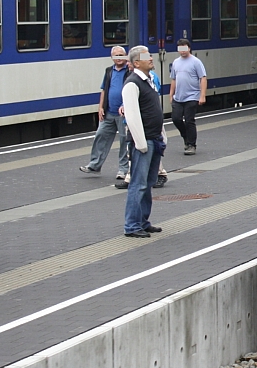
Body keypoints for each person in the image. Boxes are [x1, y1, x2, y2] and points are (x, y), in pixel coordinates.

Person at [121, 46, 166, 238]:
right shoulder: (132, 84)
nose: (151, 59)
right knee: (138, 184)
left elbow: (154, 110)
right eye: (145, 57)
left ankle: (143, 221)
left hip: (154, 138)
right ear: (136, 63)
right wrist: (140, 143)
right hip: (144, 141)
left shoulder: (149, 82)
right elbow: (132, 116)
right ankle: (132, 225)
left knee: (148, 183)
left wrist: (162, 135)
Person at [79, 47, 130, 180]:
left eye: (121, 55)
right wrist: (100, 107)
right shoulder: (109, 71)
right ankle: (94, 165)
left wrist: (126, 105)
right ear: (111, 57)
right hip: (109, 112)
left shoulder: (130, 71)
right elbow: (104, 90)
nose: (119, 57)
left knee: (124, 140)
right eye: (116, 55)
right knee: (100, 135)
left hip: (124, 114)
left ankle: (123, 169)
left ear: (126, 56)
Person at [169, 39, 206, 156]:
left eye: (185, 48)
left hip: (192, 95)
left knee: (189, 120)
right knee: (176, 118)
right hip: (178, 96)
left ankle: (191, 145)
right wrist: (171, 95)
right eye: (180, 48)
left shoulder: (196, 62)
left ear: (189, 48)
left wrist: (202, 95)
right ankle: (185, 136)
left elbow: (203, 78)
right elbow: (173, 79)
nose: (182, 51)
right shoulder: (175, 62)